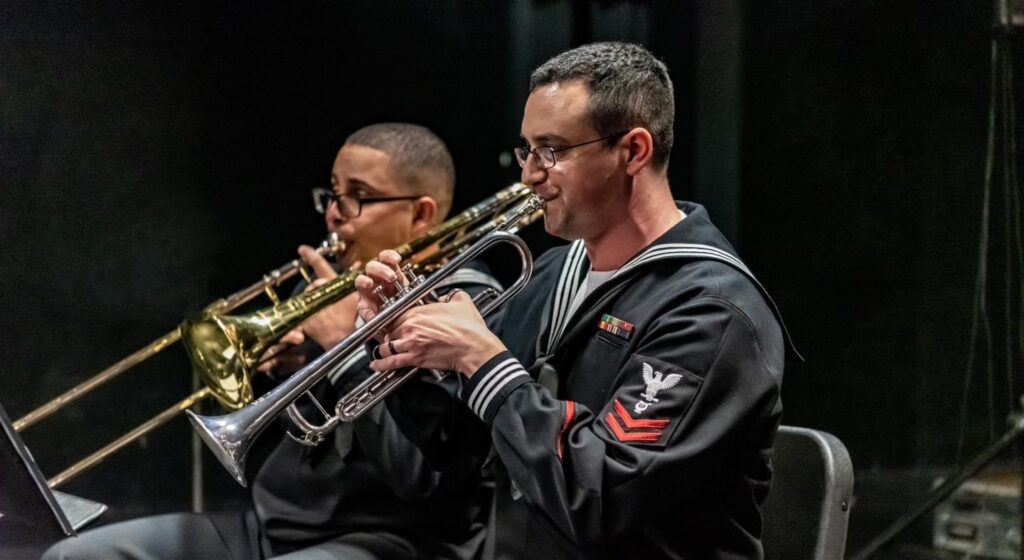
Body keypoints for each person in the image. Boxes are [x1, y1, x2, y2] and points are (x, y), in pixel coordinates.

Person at [354, 43, 797, 559]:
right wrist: (407, 354)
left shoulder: (712, 312)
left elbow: (601, 495)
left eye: (553, 151)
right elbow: (439, 469)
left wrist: (481, 360)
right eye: (527, 150)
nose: (529, 175)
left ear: (634, 151)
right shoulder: (551, 274)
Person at [43, 123, 496, 560]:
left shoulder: (463, 304)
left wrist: (342, 346)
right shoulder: (329, 289)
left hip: (392, 536)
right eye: (334, 194)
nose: (336, 212)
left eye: (359, 197)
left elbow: (424, 476)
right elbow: (283, 442)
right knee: (74, 554)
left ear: (421, 213)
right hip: (274, 525)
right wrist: (280, 375)